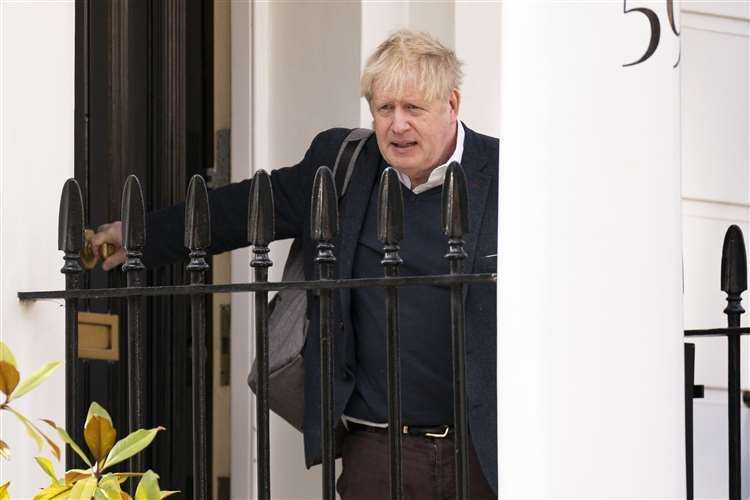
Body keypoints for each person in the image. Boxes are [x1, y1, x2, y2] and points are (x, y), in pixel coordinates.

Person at [93, 29, 498, 499]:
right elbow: (246, 208)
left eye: (413, 108)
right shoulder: (344, 165)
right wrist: (139, 235)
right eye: (385, 109)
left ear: (452, 104)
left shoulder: (508, 172)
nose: (397, 126)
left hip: (481, 448)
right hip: (378, 446)